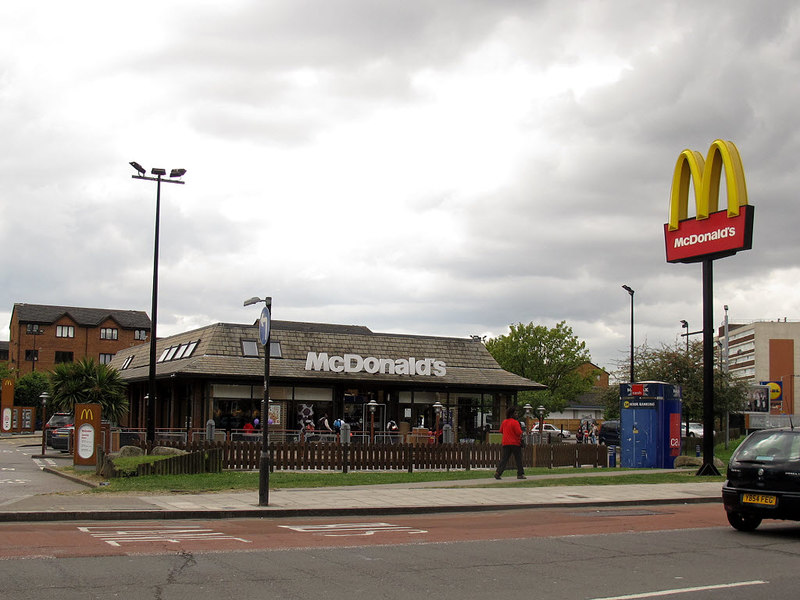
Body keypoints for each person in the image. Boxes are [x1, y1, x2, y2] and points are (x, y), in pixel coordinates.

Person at [493, 406, 526, 480]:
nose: (517, 414)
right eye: (515, 413)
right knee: (518, 459)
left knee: (504, 459)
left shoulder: (504, 422)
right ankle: (520, 474)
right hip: (515, 443)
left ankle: (498, 473)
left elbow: (501, 431)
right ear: (512, 414)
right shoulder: (515, 422)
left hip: (506, 443)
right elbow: (518, 433)